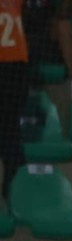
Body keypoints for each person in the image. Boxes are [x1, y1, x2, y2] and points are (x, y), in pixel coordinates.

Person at [0, 0, 30, 201]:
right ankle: (14, 190)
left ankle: (14, 189)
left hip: (11, 64)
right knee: (11, 129)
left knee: (9, 129)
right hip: (17, 65)